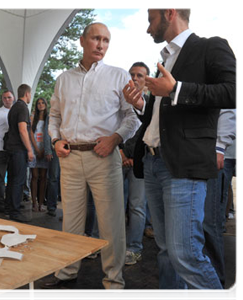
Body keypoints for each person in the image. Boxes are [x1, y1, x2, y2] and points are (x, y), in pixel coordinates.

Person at [123, 8, 240, 300]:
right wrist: (141, 106)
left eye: (151, 19)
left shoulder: (210, 46)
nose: (148, 27)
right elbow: (162, 117)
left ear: (169, 12)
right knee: (167, 252)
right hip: (152, 161)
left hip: (182, 165)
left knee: (185, 253)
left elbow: (234, 91)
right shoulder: (166, 58)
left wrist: (177, 89)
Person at [43, 23, 139, 300]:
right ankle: (66, 272)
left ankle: (114, 282)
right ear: (82, 41)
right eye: (96, 38)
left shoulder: (118, 76)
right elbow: (55, 117)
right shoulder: (63, 79)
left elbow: (131, 117)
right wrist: (54, 140)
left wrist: (115, 139)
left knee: (111, 224)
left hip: (104, 157)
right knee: (70, 221)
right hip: (70, 157)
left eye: (106, 40)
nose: (101, 44)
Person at [203, 108, 239, 287]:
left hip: (215, 154)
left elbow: (231, 111)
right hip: (191, 153)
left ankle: (216, 282)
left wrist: (219, 147)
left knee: (211, 221)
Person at [121, 62, 149, 266]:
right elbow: (112, 125)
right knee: (115, 205)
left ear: (146, 80)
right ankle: (112, 245)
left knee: (137, 207)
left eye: (140, 75)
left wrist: (132, 155)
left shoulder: (151, 104)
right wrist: (120, 151)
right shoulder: (121, 101)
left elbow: (145, 135)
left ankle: (134, 248)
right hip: (117, 158)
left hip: (139, 162)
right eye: (132, 74)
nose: (135, 78)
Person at [4, 84, 35, 223]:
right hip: (18, 149)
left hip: (11, 148)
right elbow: (23, 130)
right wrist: (29, 149)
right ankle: (15, 212)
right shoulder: (22, 108)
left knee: (12, 180)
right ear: (27, 94)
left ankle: (10, 207)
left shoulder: (14, 108)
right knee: (18, 180)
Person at [29, 97, 51, 212]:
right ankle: (34, 203)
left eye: (43, 103)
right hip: (35, 148)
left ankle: (41, 203)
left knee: (43, 178)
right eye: (38, 103)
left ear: (46, 105)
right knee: (34, 176)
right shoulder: (33, 117)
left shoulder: (49, 118)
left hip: (45, 149)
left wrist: (45, 150)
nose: (41, 105)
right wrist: (36, 149)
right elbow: (31, 133)